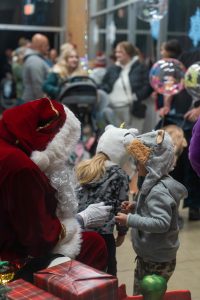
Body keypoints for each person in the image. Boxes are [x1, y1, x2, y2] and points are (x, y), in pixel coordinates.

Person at [0, 97, 112, 283]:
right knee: (94, 244)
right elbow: (38, 237)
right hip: (11, 262)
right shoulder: (20, 168)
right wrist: (78, 221)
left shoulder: (9, 146)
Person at [115, 129, 188, 295]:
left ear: (153, 164)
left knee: (147, 294)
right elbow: (153, 209)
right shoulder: (153, 183)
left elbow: (161, 223)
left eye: (140, 162)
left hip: (156, 260)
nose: (136, 165)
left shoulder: (158, 191)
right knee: (141, 292)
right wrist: (135, 207)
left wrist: (130, 219)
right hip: (150, 255)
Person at [75, 125, 138, 276]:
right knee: (107, 276)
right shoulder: (119, 174)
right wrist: (122, 233)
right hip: (104, 237)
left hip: (79, 232)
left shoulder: (83, 167)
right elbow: (121, 207)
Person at [101, 41, 152, 132]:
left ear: (128, 53)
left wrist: (136, 96)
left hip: (133, 109)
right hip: (113, 108)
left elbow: (148, 86)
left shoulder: (140, 68)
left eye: (120, 52)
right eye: (116, 52)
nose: (117, 54)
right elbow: (104, 85)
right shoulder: (113, 68)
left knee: (133, 138)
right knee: (116, 139)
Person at [22, 34, 50, 102]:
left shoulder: (35, 59)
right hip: (34, 102)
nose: (48, 48)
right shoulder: (35, 60)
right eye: (46, 45)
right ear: (40, 46)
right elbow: (38, 84)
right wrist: (43, 102)